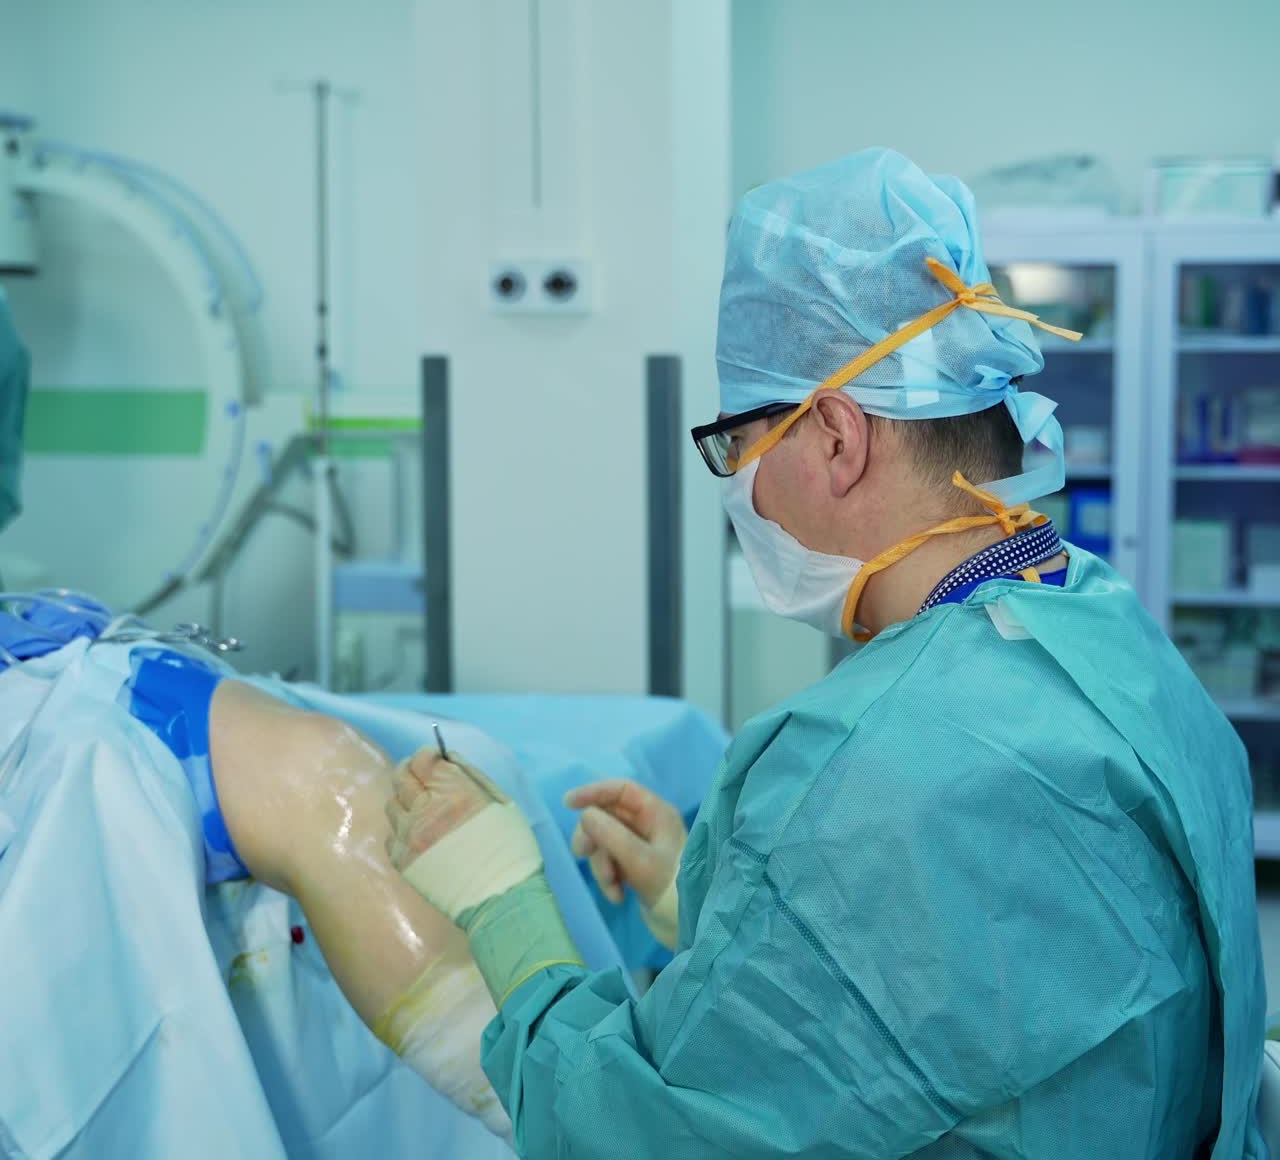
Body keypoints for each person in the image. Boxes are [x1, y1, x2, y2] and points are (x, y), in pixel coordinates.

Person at [385, 148, 1267, 1158]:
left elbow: (648, 1133)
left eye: (737, 444)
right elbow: (1005, 971)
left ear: (838, 437)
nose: (738, 489)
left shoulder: (862, 762)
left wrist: (504, 909)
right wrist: (719, 901)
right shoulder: (1105, 627)